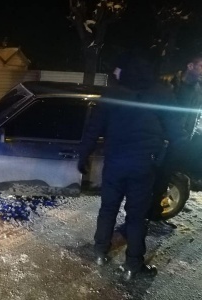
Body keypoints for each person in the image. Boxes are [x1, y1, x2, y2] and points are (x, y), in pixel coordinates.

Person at [78, 52, 186, 281]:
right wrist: (168, 159)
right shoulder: (161, 93)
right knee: (136, 217)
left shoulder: (112, 93)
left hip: (115, 163)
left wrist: (83, 155)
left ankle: (99, 252)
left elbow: (93, 128)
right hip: (143, 166)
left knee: (107, 209)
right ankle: (132, 265)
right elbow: (177, 135)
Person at [148, 55, 202, 221]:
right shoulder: (168, 81)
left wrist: (187, 136)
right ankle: (141, 213)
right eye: (201, 66)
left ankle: (154, 213)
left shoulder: (199, 88)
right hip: (159, 138)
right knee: (151, 175)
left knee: (167, 177)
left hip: (180, 141)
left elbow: (193, 115)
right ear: (190, 66)